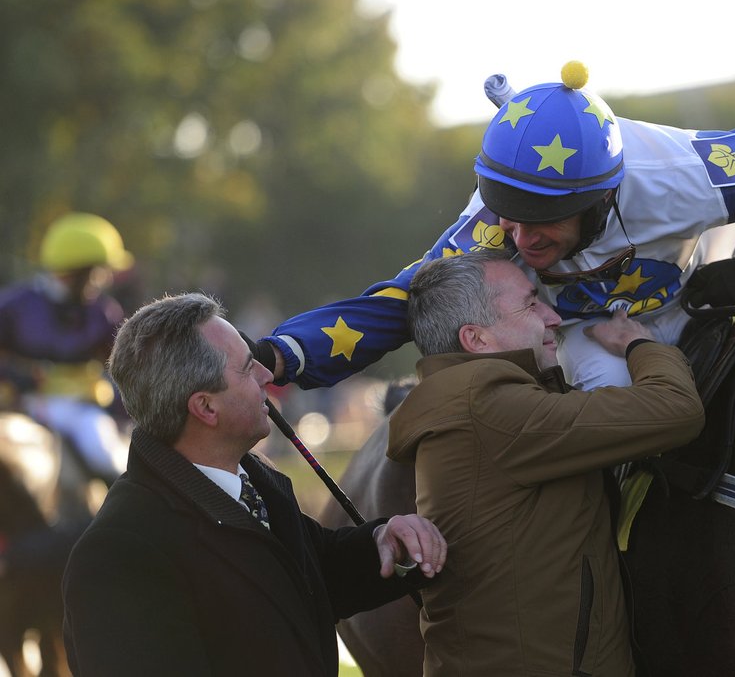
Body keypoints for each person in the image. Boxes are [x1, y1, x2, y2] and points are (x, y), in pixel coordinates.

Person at [252, 61, 735, 392]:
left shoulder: (688, 174)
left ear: (601, 202)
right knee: (611, 398)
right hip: (583, 331)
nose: (520, 241)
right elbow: (399, 305)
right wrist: (284, 354)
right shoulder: (491, 228)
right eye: (508, 220)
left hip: (699, 279)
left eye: (543, 224)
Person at [61, 292, 446, 677]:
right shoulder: (117, 556)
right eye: (248, 368)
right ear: (206, 407)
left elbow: (306, 576)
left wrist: (383, 541)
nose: (268, 375)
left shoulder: (253, 484)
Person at [386, 249, 704, 676]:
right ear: (476, 339)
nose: (553, 317)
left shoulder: (483, 403)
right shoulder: (490, 408)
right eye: (531, 303)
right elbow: (676, 409)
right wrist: (640, 343)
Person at [0, 211, 133, 483]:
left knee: (105, 456)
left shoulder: (104, 312)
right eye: (98, 272)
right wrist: (14, 377)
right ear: (74, 274)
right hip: (22, 403)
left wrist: (124, 413)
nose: (103, 280)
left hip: (79, 409)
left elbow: (126, 370)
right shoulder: (14, 306)